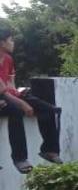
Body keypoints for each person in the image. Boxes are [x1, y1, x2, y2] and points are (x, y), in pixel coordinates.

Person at [0, 28, 63, 173]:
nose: (13, 43)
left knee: (49, 109)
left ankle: (49, 150)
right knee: (16, 111)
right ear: (2, 43)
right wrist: (22, 103)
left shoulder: (8, 59)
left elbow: (10, 83)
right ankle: (20, 158)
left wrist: (21, 95)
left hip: (8, 94)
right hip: (2, 96)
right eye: (11, 40)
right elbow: (2, 90)